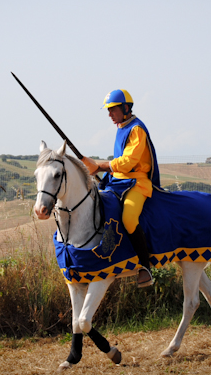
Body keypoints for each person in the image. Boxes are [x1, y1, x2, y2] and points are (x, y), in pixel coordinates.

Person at [81, 89, 160, 288]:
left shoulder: (136, 129)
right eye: (108, 110)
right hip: (118, 181)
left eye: (113, 109)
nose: (110, 114)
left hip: (137, 183)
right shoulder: (121, 127)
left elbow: (127, 162)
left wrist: (100, 166)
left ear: (125, 108)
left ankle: (145, 266)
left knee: (129, 219)